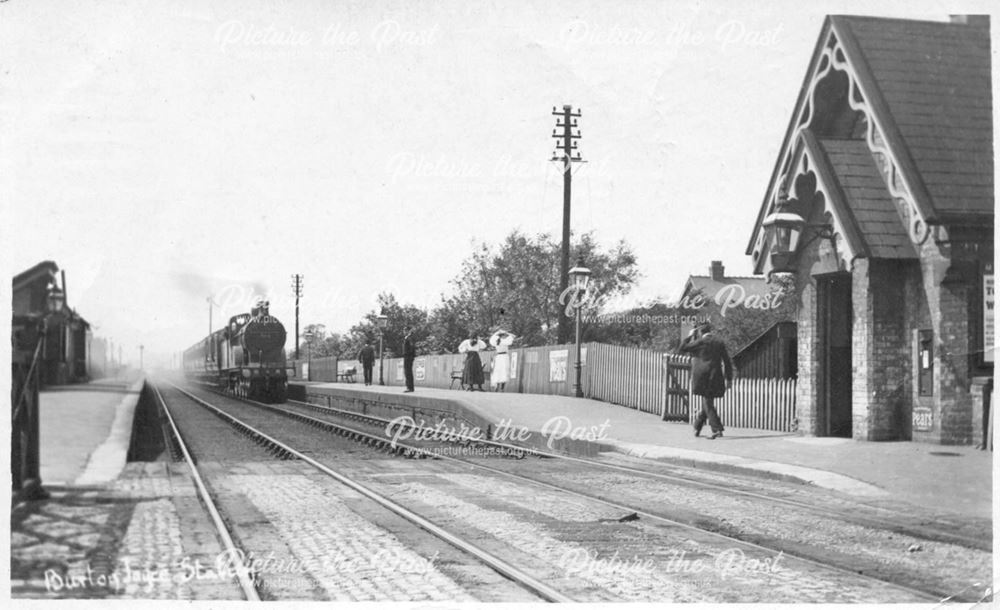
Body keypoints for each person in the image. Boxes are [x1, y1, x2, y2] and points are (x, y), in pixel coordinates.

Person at [679, 321, 732, 439]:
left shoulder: (698, 342)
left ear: (699, 331)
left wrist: (689, 336)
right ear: (710, 330)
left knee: (707, 402)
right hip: (716, 377)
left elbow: (682, 348)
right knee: (708, 402)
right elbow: (727, 362)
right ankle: (697, 426)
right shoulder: (719, 343)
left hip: (701, 378)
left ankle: (716, 429)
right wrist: (729, 379)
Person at [402, 327, 416, 392]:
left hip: (408, 357)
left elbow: (412, 347)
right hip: (407, 357)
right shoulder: (407, 338)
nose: (403, 332)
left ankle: (410, 387)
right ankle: (409, 387)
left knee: (408, 372)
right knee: (407, 372)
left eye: (405, 330)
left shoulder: (409, 338)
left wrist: (409, 355)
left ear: (407, 331)